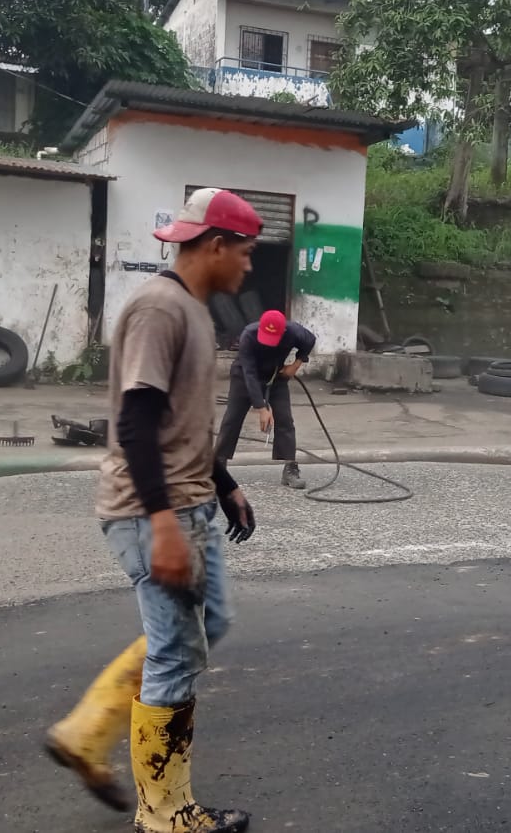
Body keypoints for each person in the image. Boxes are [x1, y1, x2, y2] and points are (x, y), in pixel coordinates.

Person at [43, 187, 263, 833]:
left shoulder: (193, 311)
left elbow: (180, 422)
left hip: (189, 502)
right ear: (215, 245)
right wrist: (162, 523)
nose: (249, 264)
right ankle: (165, 813)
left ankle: (85, 733)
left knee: (210, 622)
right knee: (174, 653)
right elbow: (136, 422)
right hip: (153, 511)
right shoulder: (159, 308)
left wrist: (226, 483)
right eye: (246, 251)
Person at [217, 309, 317, 490]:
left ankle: (290, 469)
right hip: (244, 376)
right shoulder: (248, 335)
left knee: (285, 419)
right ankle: (218, 467)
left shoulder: (294, 331)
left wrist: (295, 365)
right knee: (232, 418)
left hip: (275, 375)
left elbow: (310, 340)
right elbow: (249, 373)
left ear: (283, 331)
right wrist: (261, 407)